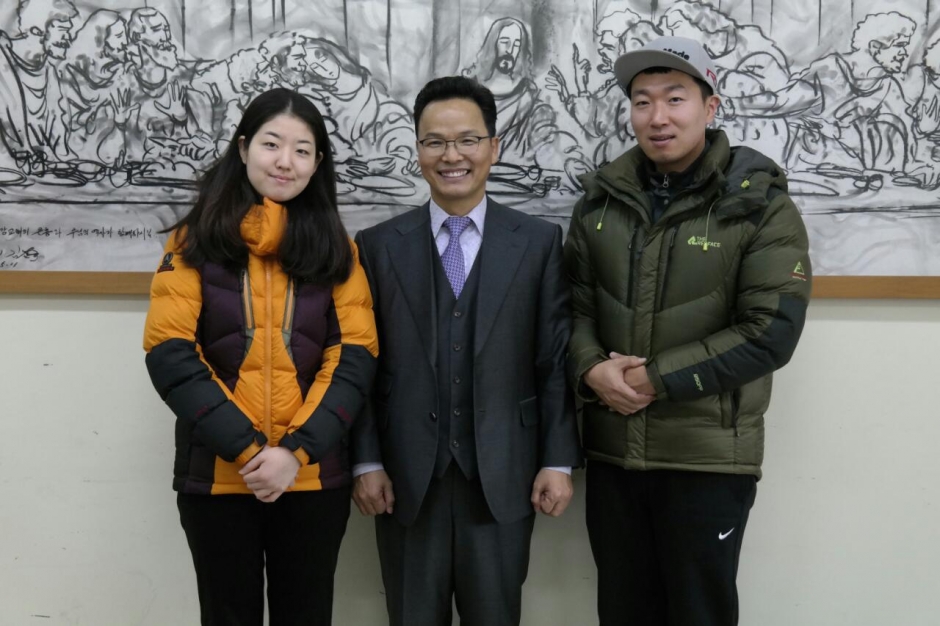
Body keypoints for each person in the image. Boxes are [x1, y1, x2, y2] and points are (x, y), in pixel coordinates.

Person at [564, 36, 812, 626]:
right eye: (642, 101)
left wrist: (653, 379)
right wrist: (590, 369)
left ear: (710, 106)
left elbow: (770, 330)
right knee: (622, 611)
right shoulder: (599, 203)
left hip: (708, 462)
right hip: (613, 454)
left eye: (675, 98)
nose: (658, 117)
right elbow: (571, 311)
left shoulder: (760, 204)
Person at [351, 75, 582, 626]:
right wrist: (366, 459)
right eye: (434, 142)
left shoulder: (538, 242)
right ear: (418, 150)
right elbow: (361, 365)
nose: (451, 156)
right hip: (405, 479)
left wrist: (557, 460)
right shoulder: (378, 246)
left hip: (504, 474)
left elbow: (553, 361)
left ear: (493, 147)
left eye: (467, 140)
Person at [142, 88, 378, 626]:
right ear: (244, 147)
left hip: (312, 480)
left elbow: (354, 358)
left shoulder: (338, 250)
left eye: (302, 150)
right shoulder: (191, 243)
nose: (285, 161)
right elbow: (170, 353)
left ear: (317, 163)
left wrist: (294, 453)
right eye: (272, 144)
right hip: (219, 478)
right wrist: (251, 452)